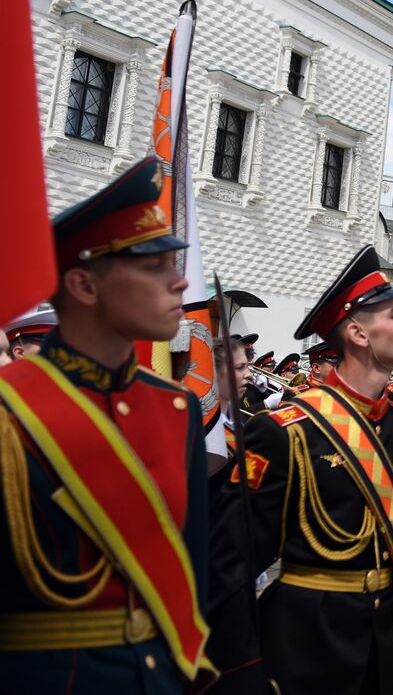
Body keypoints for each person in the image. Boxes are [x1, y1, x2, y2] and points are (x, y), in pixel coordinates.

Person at [0, 157, 214, 691]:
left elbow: (192, 573)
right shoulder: (10, 410)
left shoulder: (175, 409)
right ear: (83, 285)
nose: (179, 282)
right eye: (153, 266)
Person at [205, 246, 393, 694]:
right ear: (358, 334)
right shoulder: (284, 433)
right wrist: (240, 672)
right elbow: (230, 565)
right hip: (309, 647)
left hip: (390, 643)